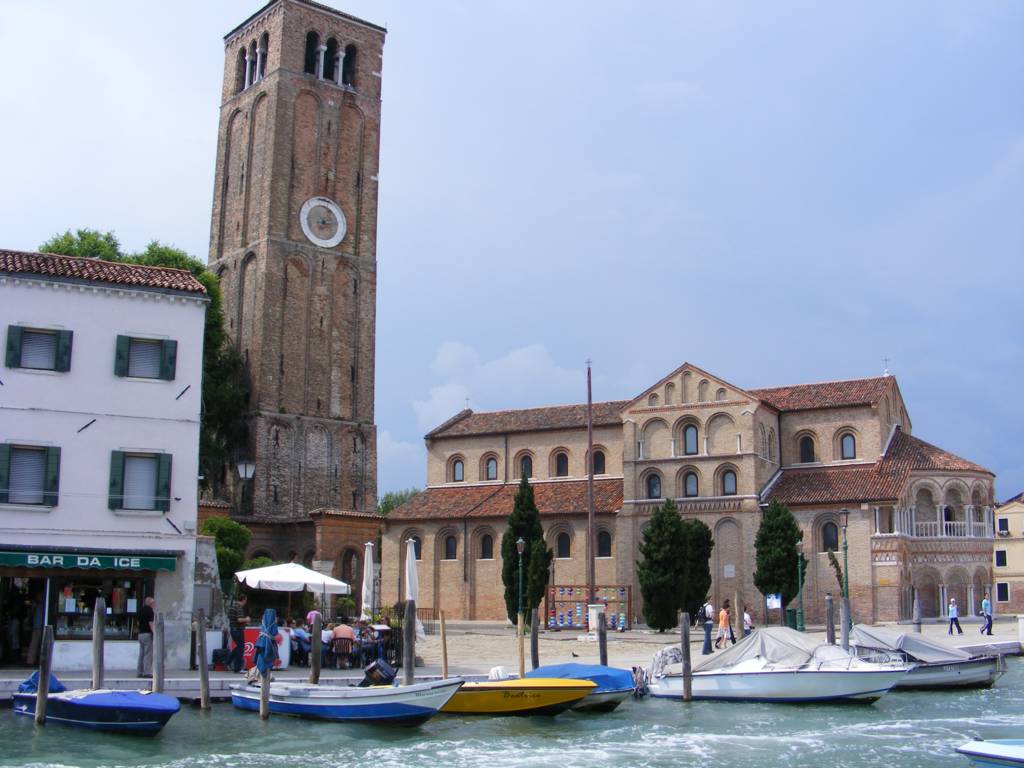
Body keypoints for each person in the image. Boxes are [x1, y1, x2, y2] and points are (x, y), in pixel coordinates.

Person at [227, 594, 251, 673]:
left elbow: (232, 618)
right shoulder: (239, 608)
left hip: (233, 629)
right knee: (241, 649)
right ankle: (237, 668)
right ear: (243, 600)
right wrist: (247, 619)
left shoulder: (232, 606)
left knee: (238, 647)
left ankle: (228, 661)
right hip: (238, 630)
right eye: (246, 600)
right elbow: (239, 619)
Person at [137, 596, 155, 678]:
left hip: (140, 634)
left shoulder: (141, 610)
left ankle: (139, 671)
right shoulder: (150, 611)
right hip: (147, 634)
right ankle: (147, 672)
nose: (154, 605)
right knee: (148, 654)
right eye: (153, 603)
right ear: (150, 603)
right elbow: (150, 623)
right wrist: (155, 633)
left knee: (141, 654)